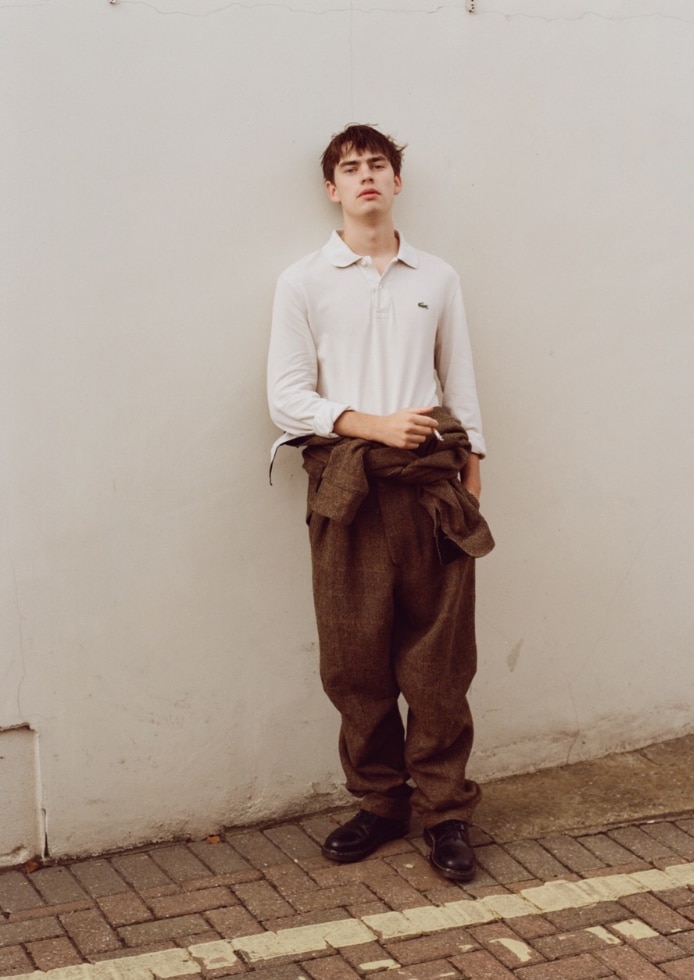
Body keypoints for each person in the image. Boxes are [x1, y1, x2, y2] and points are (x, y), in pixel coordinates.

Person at [267, 124, 493, 881]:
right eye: (350, 167)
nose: (365, 176)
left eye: (378, 165)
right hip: (349, 492)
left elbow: (459, 381)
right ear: (331, 188)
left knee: (439, 664)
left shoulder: (438, 276)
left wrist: (473, 475)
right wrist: (371, 425)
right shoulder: (304, 281)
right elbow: (286, 397)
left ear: (397, 182)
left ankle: (446, 812)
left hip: (431, 490)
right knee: (354, 660)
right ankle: (381, 803)